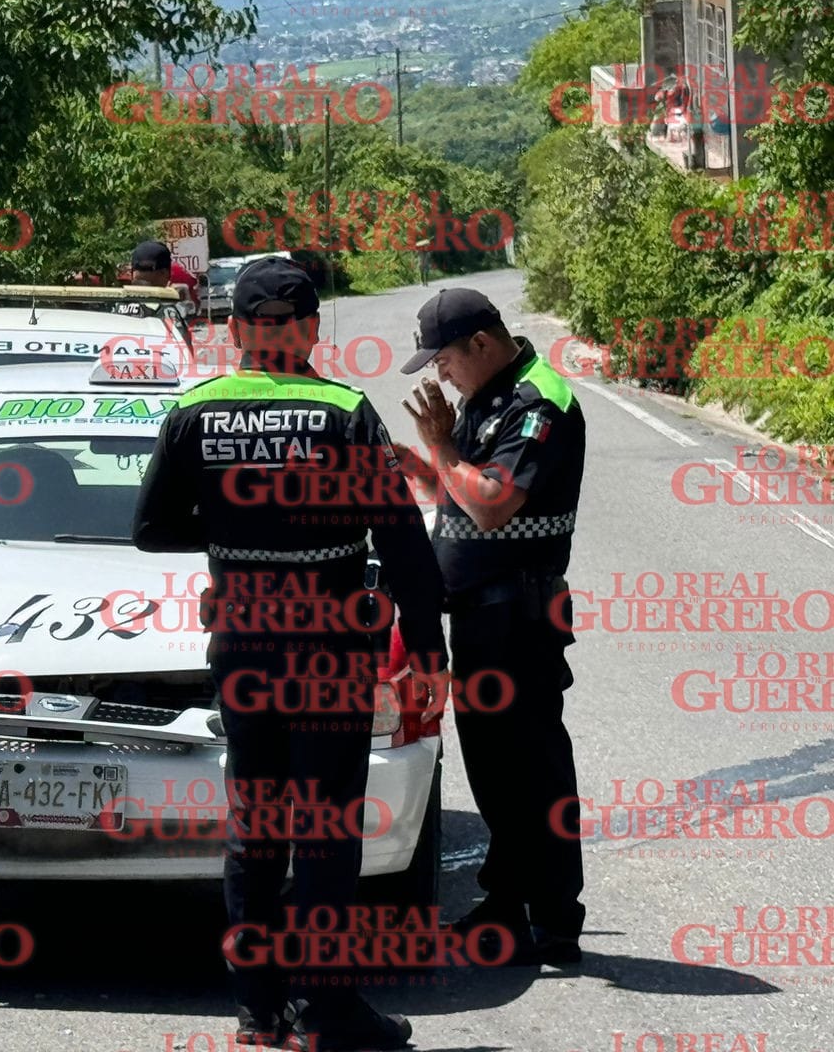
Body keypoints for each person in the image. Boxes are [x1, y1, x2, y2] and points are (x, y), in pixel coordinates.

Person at [133, 256, 447, 1051]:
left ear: (236, 332)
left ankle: (259, 1014)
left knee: (255, 828)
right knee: (326, 832)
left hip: (243, 640)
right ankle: (329, 1013)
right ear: (310, 331)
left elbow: (150, 530)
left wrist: (237, 539)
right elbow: (402, 535)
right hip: (329, 648)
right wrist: (432, 649)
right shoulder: (343, 408)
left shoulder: (195, 410)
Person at [396, 287, 586, 966]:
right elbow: (455, 491)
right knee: (495, 774)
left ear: (480, 343)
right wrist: (410, 464)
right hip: (482, 617)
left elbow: (494, 504)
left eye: (442, 359)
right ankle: (505, 904)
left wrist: (441, 448)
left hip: (520, 619)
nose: (439, 374)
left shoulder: (538, 401)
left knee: (534, 771)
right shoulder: (489, 396)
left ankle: (555, 920)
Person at [116, 240, 196, 343]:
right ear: (165, 273)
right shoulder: (168, 310)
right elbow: (184, 351)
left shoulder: (109, 304)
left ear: (133, 271)